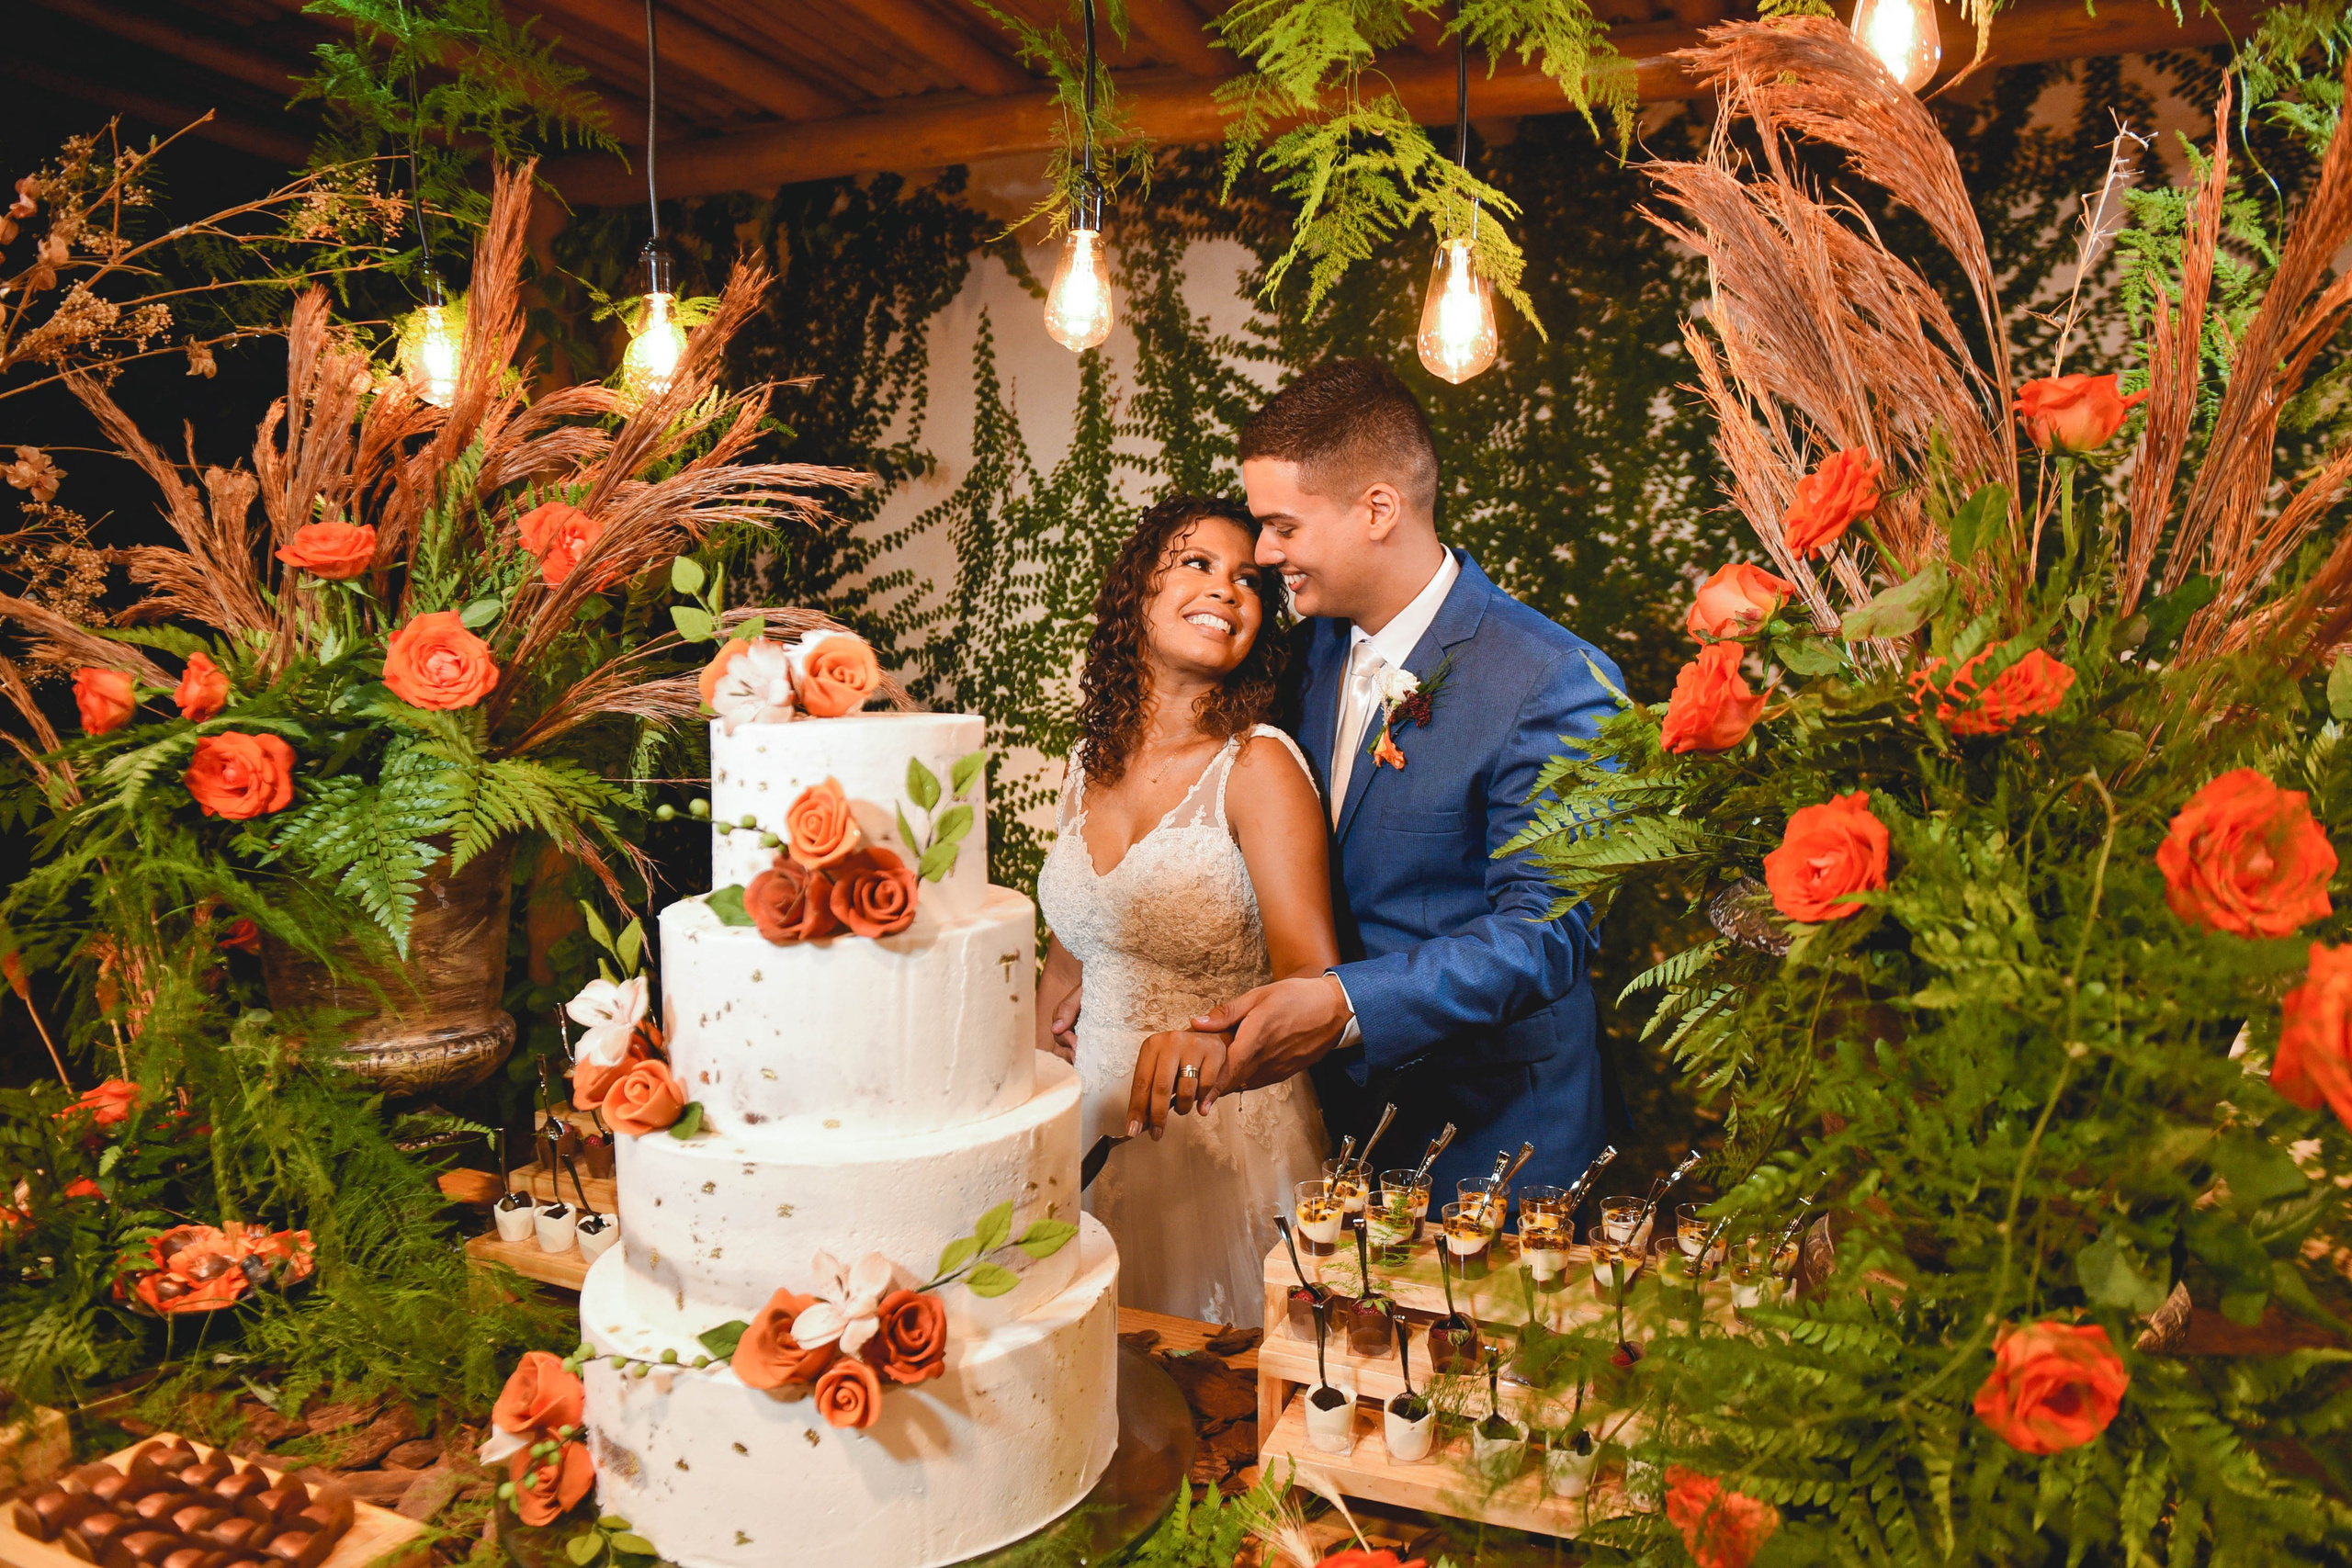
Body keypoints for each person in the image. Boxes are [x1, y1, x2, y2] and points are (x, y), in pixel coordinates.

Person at [1187, 356, 1623, 1197]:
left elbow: (1549, 931)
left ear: (1378, 507)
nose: (1264, 550)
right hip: (1336, 1133)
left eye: (1282, 526)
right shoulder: (1305, 654)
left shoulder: (1552, 677)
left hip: (1498, 1141)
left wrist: (1346, 1003)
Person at [1034, 494, 1333, 1324]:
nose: (1227, 589)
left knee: (1216, 1416)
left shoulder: (1259, 765)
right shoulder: (1086, 764)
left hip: (1217, 1135)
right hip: (1085, 1131)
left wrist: (1208, 1047)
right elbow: (1065, 966)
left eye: (1247, 580)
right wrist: (1028, 1133)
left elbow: (1314, 976)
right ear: (1137, 590)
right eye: (1197, 563)